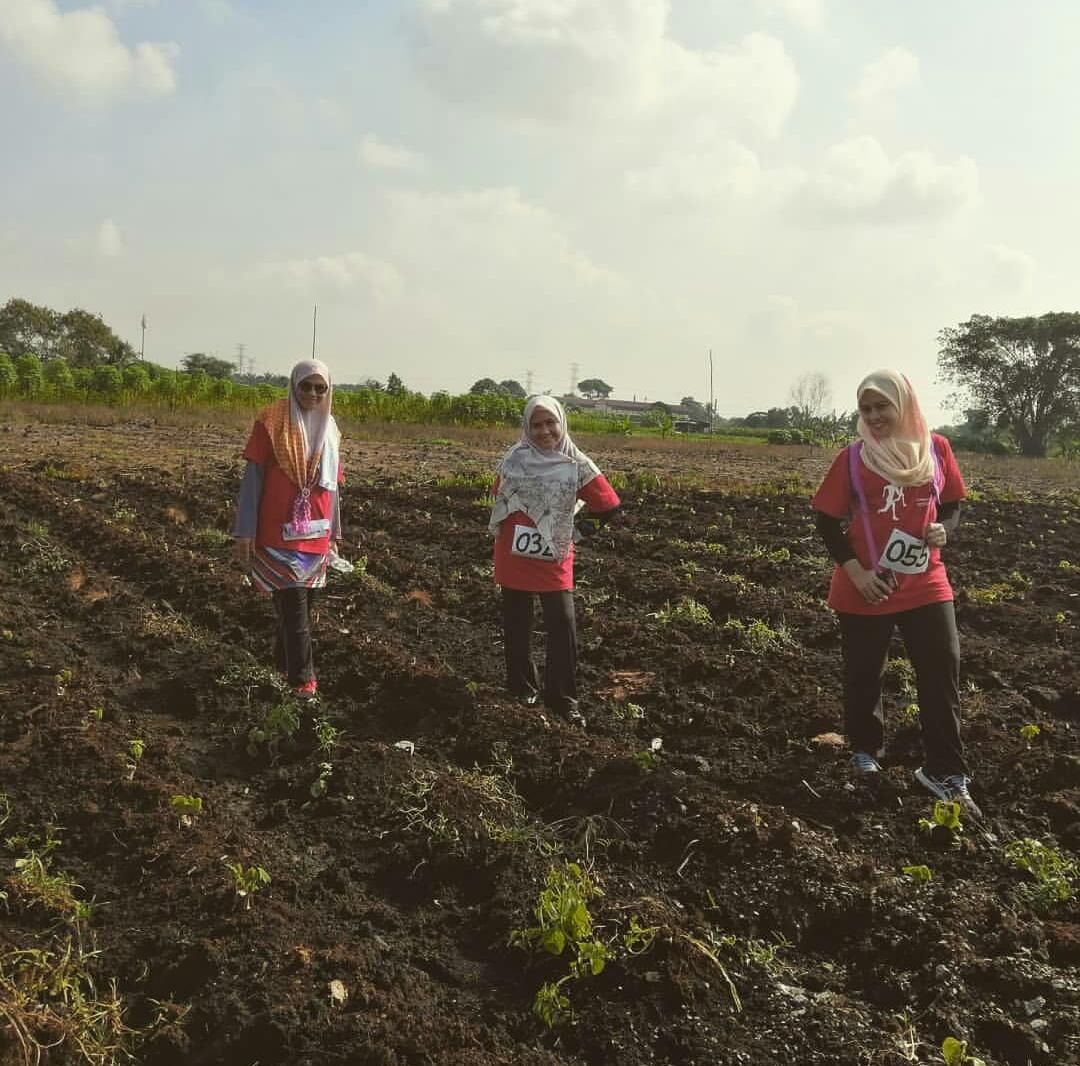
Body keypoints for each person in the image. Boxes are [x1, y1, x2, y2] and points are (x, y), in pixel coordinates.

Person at [811, 370, 980, 814]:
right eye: (865, 409)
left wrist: (945, 530)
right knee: (865, 673)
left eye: (882, 406)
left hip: (925, 580)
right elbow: (826, 520)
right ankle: (865, 752)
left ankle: (945, 770)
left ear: (903, 404)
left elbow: (952, 505)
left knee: (942, 669)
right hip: (868, 584)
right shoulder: (853, 458)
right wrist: (858, 574)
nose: (874, 416)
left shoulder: (936, 449)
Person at [489, 396, 620, 728]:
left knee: (562, 625)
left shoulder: (577, 463)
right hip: (514, 552)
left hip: (553, 555)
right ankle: (522, 690)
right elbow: (497, 494)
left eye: (551, 423)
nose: (544, 430)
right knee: (516, 623)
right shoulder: (514, 458)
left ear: (562, 423)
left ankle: (563, 699)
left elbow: (608, 505)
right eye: (536, 424)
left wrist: (578, 533)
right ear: (526, 428)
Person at [233, 359, 342, 700]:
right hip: (278, 534)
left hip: (317, 534)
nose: (312, 394)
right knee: (295, 608)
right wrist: (245, 530)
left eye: (320, 388)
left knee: (301, 607)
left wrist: (335, 535)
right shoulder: (271, 421)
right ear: (294, 386)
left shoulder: (330, 428)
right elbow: (253, 479)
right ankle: (303, 681)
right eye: (306, 386)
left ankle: (281, 665)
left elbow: (333, 488)